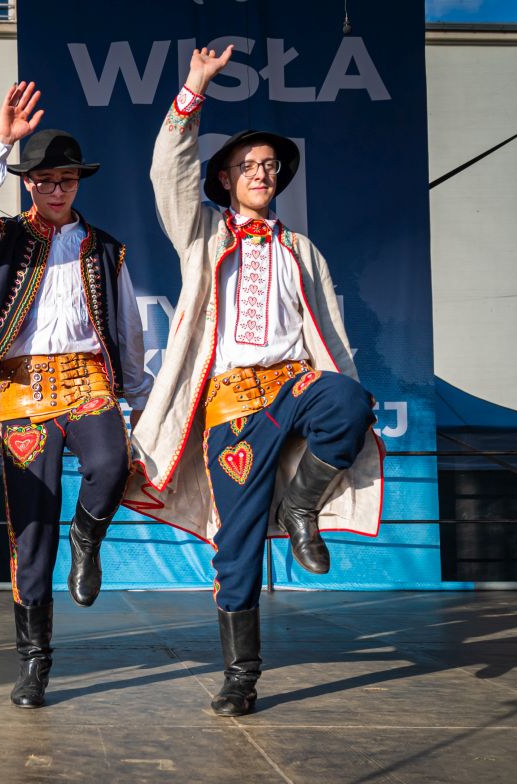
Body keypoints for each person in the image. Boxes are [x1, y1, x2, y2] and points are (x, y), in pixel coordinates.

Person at [127, 46, 383, 716]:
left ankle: (300, 506)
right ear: (225, 178)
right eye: (249, 165)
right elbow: (167, 171)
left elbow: (331, 336)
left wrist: (348, 401)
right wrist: (193, 88)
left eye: (270, 166)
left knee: (349, 400)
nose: (263, 173)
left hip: (295, 387)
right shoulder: (202, 236)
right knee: (235, 544)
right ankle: (241, 675)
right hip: (234, 410)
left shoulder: (302, 251)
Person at [0, 82, 152, 708]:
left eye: (65, 180)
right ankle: (34, 662)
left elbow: (128, 328)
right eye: (43, 181)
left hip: (88, 382)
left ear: (78, 182)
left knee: (110, 465)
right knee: (30, 530)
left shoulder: (106, 248)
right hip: (25, 389)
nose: (55, 190)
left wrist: (138, 401)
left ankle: (87, 538)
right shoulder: (2, 236)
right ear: (28, 183)